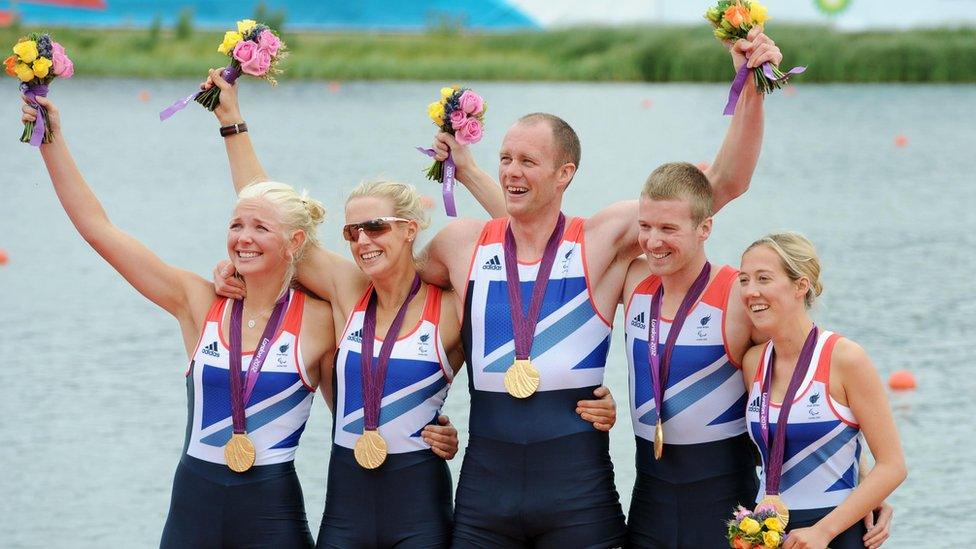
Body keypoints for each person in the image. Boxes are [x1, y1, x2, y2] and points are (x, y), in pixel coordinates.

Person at [418, 28, 779, 547]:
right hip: (483, 498)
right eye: (505, 159)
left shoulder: (601, 241)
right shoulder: (461, 245)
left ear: (565, 173)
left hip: (578, 498)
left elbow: (721, 184)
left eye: (527, 162)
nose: (513, 172)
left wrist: (749, 83)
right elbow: (387, 288)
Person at [22, 97, 335, 548]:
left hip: (271, 516)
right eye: (235, 225)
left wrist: (434, 427)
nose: (243, 239)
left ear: (295, 240)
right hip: (193, 511)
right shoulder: (198, 300)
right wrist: (50, 140)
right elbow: (99, 230)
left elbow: (357, 410)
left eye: (260, 228)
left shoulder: (321, 320)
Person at [738, 233, 906, 549]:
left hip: (834, 533)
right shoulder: (753, 362)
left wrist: (824, 531)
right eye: (744, 280)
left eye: (764, 279)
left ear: (800, 286)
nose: (751, 291)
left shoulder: (845, 358)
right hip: (764, 532)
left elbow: (893, 465)